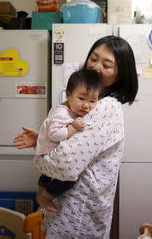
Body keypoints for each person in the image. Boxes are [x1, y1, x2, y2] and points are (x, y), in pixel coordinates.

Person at [13, 35, 138, 238]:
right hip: (70, 207)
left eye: (106, 65)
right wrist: (44, 140)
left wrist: (40, 157)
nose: (96, 67)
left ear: (120, 74)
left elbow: (65, 164)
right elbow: (78, 144)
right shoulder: (94, 102)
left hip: (78, 212)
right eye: (93, 58)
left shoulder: (106, 107)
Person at [35, 69, 103, 213]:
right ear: (68, 95)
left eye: (92, 101)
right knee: (69, 177)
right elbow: (55, 134)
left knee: (48, 176)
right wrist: (73, 128)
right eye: (82, 99)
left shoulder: (71, 110)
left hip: (47, 153)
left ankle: (41, 191)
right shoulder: (61, 113)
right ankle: (45, 197)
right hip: (48, 154)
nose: (86, 105)